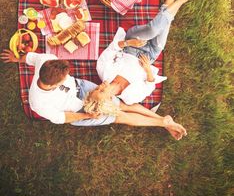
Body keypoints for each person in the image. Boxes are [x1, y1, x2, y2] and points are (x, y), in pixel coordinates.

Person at [1, 50, 187, 140]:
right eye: (63, 78)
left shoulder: (46, 61)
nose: (66, 77)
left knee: (122, 105)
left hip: (82, 87)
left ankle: (163, 119)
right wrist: (88, 115)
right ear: (54, 84)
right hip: (80, 110)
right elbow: (64, 117)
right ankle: (163, 123)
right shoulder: (38, 103)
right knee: (120, 117)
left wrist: (17, 59)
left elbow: (31, 58)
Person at [84, 0, 206, 113]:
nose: (100, 86)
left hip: (131, 45)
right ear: (109, 99)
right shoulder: (130, 98)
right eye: (102, 91)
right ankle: (165, 8)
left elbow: (112, 48)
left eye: (96, 89)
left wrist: (129, 42)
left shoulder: (102, 70)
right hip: (151, 55)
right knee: (161, 34)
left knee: (153, 30)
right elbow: (150, 86)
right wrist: (148, 70)